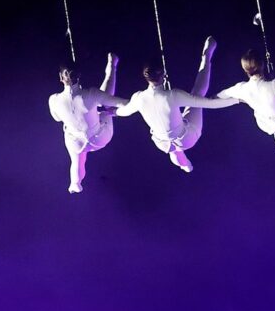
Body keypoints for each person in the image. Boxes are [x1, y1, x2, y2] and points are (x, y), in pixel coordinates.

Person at [114, 37, 237, 173]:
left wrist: (113, 112)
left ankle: (185, 165)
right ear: (164, 74)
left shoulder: (138, 98)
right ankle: (207, 55)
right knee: (197, 93)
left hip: (162, 143)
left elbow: (123, 112)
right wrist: (236, 100)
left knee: (174, 150)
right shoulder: (173, 95)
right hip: (186, 138)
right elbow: (209, 103)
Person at [48, 54, 127, 194]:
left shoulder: (53, 100)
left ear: (61, 77)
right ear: (79, 76)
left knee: (76, 161)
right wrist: (116, 111)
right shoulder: (91, 94)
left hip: (77, 144)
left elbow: (57, 118)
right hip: (99, 139)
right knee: (104, 109)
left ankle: (75, 184)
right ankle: (112, 66)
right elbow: (122, 103)